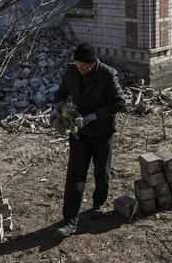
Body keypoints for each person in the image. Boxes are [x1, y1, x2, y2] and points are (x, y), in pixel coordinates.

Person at [50, 42, 126, 238]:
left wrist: (92, 116)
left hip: (102, 133)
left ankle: (98, 204)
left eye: (85, 66)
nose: (81, 69)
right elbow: (60, 93)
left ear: (93, 64)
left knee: (101, 172)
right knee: (75, 175)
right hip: (79, 134)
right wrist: (56, 110)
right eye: (78, 64)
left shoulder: (108, 75)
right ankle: (69, 221)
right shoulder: (72, 71)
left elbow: (119, 102)